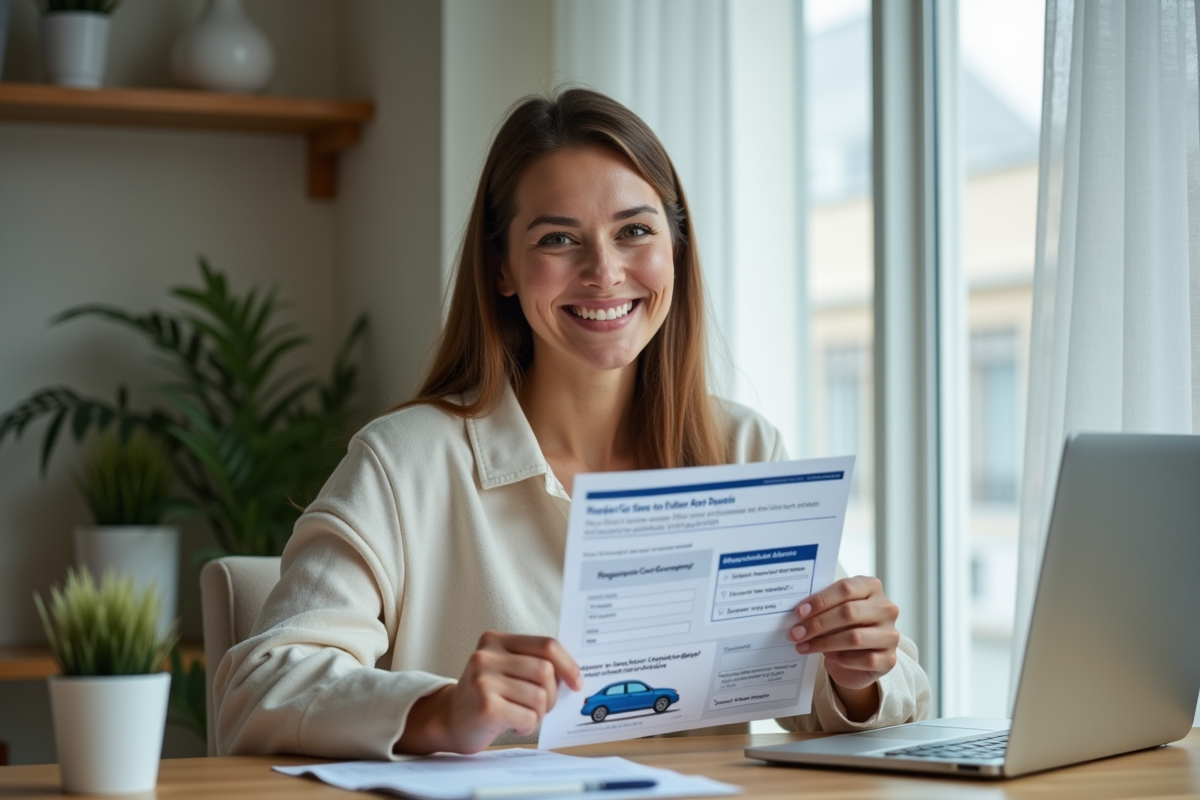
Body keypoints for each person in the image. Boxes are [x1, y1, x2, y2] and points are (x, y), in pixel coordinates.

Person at [213, 88, 931, 759]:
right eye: (559, 240)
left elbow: (875, 705)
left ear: (674, 248)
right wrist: (441, 710)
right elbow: (258, 689)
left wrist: (856, 669)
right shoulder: (406, 464)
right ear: (502, 267)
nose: (605, 271)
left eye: (635, 231)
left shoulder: (744, 449)